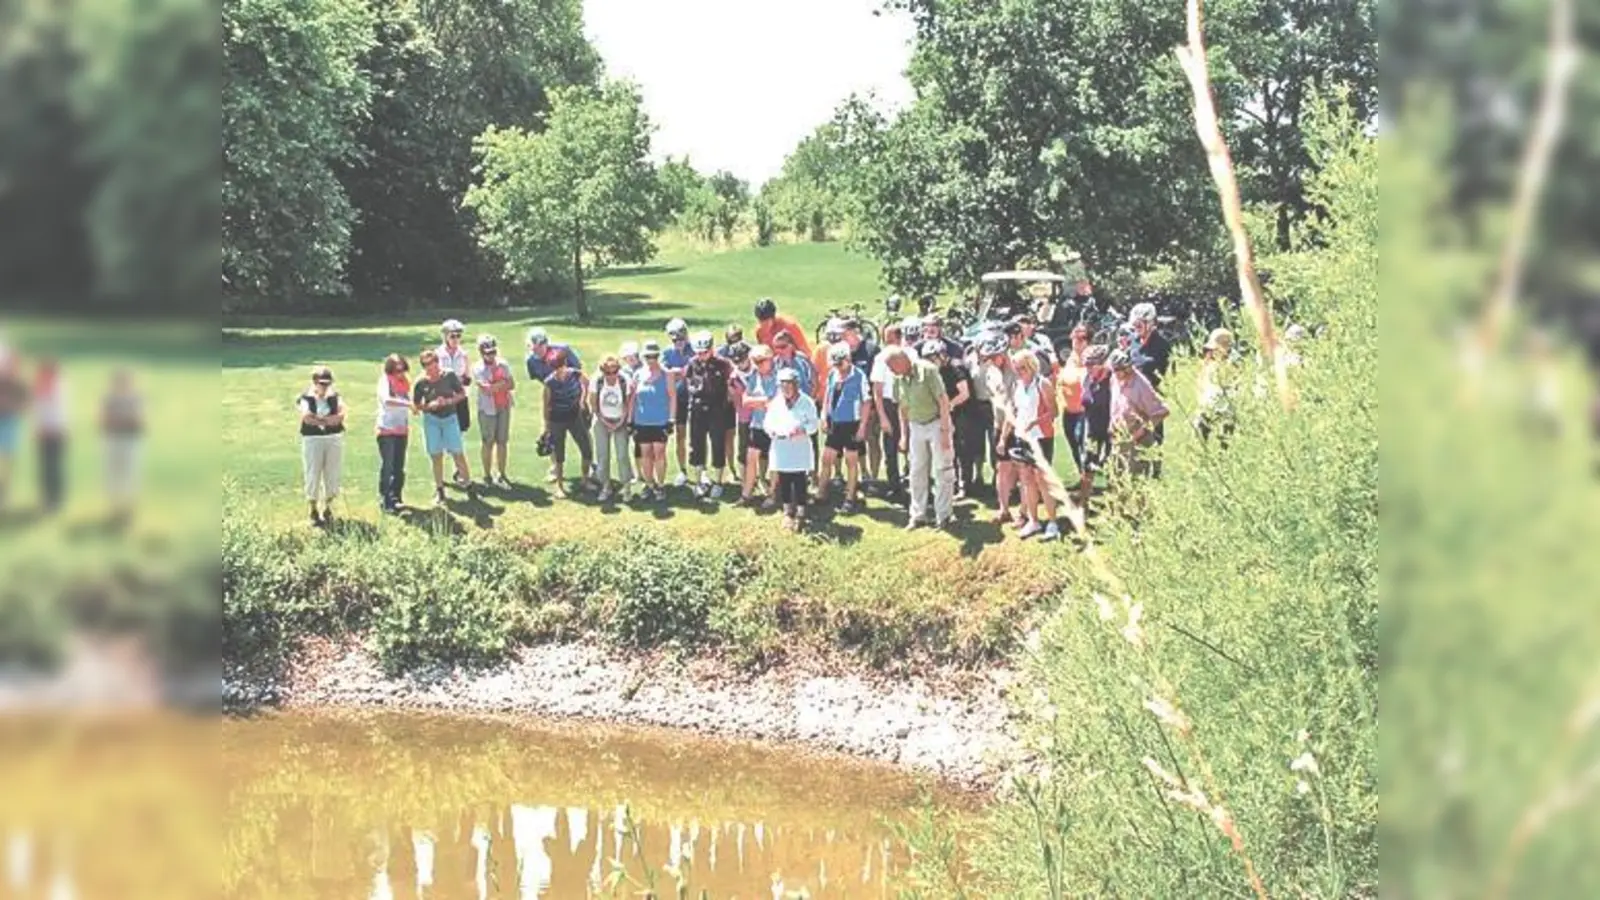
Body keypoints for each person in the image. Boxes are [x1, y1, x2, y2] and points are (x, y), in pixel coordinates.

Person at [888, 346, 954, 530]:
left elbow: (943, 401)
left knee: (942, 469)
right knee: (916, 471)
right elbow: (902, 408)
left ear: (902, 361)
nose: (891, 371)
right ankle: (918, 514)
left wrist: (945, 432)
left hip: (935, 423)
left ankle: (944, 514)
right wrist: (903, 435)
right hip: (915, 426)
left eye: (892, 366)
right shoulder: (897, 379)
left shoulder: (928, 371)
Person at [1007, 351, 1061, 541]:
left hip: (1041, 437)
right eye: (1016, 368)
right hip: (1023, 437)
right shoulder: (1018, 385)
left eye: (1022, 367)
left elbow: (1054, 412)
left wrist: (1035, 422)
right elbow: (1015, 410)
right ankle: (1033, 520)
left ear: (1031, 366)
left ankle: (1053, 522)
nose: (1019, 371)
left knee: (1043, 480)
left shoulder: (1042, 384)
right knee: (1027, 479)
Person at [870, 320, 920, 504]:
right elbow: (877, 389)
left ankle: (915, 483)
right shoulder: (881, 358)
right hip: (889, 404)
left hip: (909, 403)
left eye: (890, 339)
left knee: (914, 446)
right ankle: (894, 486)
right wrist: (882, 416)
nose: (887, 342)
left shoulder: (912, 354)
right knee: (890, 448)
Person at [818, 343, 873, 512]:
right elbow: (828, 396)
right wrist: (823, 416)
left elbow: (866, 402)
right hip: (835, 423)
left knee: (851, 461)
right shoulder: (833, 375)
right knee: (827, 458)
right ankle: (821, 493)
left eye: (840, 364)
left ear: (848, 360)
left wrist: (862, 426)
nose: (838, 368)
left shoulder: (859, 376)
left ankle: (850, 497)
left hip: (851, 423)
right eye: (835, 365)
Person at [763, 367, 819, 532]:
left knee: (799, 480)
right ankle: (787, 511)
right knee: (785, 480)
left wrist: (803, 430)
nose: (786, 388)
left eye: (789, 384)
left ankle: (801, 511)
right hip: (782, 448)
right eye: (783, 385)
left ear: (796, 385)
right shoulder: (776, 402)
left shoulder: (807, 402)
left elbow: (814, 425)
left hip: (799, 448)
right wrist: (771, 430)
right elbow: (768, 422)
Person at [413, 349, 470, 507]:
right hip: (432, 420)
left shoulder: (449, 375)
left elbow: (462, 394)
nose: (430, 367)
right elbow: (416, 406)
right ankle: (440, 490)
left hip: (450, 418)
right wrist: (428, 406)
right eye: (426, 364)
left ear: (438, 362)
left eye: (432, 363)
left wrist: (448, 401)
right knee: (436, 455)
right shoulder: (421, 382)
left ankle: (468, 484)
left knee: (457, 452)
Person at [684, 330, 734, 498]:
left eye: (705, 352)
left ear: (711, 349)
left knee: (717, 444)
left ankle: (718, 481)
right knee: (697, 445)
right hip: (698, 409)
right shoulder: (692, 364)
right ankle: (699, 481)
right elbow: (689, 383)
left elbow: (729, 385)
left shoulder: (722, 364)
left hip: (717, 410)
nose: (702, 356)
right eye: (698, 353)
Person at [976, 336, 1020, 525]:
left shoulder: (1017, 373)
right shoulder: (991, 372)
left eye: (994, 357)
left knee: (1022, 470)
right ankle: (1004, 509)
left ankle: (1025, 512)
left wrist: (1003, 437)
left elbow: (1013, 407)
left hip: (1017, 428)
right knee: (1001, 468)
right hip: (999, 424)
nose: (991, 361)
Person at [919, 338, 972, 495]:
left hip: (962, 412)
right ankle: (951, 483)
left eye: (933, 358)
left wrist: (948, 406)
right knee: (949, 448)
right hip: (946, 413)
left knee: (962, 448)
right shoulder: (934, 371)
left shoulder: (955, 368)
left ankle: (964, 484)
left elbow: (964, 393)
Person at [1108, 348, 1169, 479]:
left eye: (1116, 370)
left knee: (1136, 481)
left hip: (1137, 438)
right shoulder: (1115, 379)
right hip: (1119, 436)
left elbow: (1161, 412)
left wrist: (1141, 432)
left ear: (1127, 368)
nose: (1114, 373)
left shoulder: (1141, 385)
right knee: (1118, 479)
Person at [297, 365, 345, 525]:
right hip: (313, 439)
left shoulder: (335, 396)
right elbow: (306, 418)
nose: (324, 387)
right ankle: (312, 507)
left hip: (333, 438)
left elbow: (340, 416)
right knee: (313, 472)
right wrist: (326, 420)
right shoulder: (306, 398)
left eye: (327, 383)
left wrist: (318, 419)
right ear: (314, 382)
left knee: (332, 472)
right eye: (321, 383)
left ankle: (329, 508)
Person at [629, 341, 675, 501]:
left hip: (660, 421)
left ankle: (661, 485)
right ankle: (649, 484)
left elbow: (672, 397)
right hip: (642, 421)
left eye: (654, 356)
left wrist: (671, 419)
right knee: (645, 454)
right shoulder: (638, 374)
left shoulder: (667, 374)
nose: (651, 360)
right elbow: (632, 399)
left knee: (659, 454)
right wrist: (630, 420)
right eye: (648, 357)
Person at [542, 351, 592, 493]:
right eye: (555, 367)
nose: (558, 370)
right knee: (559, 454)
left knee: (586, 448)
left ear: (565, 364)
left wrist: (583, 400)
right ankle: (559, 486)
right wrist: (546, 427)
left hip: (575, 417)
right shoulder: (549, 382)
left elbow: (587, 383)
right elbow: (546, 405)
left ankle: (585, 480)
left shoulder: (575, 374)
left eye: (560, 366)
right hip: (557, 420)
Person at [100, 367, 143, 523]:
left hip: (129, 441)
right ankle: (114, 506)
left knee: (130, 474)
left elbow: (138, 421)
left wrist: (120, 420)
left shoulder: (135, 399)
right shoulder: (109, 399)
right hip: (112, 440)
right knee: (112, 474)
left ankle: (128, 508)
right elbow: (104, 420)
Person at [738, 344, 780, 506]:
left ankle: (772, 495)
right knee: (751, 458)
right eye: (755, 361)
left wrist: (757, 401)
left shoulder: (778, 377)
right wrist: (762, 401)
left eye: (761, 361)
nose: (758, 364)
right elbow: (745, 401)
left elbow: (774, 403)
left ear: (770, 359)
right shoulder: (755, 375)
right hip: (757, 424)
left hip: (774, 426)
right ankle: (746, 494)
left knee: (774, 460)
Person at [842, 319, 881, 485]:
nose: (844, 338)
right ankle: (862, 472)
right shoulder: (845, 352)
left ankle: (874, 475)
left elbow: (876, 380)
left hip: (870, 404)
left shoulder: (871, 350)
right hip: (852, 406)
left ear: (855, 332)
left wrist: (873, 406)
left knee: (872, 439)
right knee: (856, 440)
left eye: (846, 334)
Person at [589, 354, 633, 501]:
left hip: (620, 419)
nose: (611, 375)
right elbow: (594, 406)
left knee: (622, 455)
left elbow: (627, 404)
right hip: (601, 420)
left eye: (615, 371)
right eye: (608, 373)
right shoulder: (597, 380)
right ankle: (605, 486)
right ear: (602, 371)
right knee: (603, 456)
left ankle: (626, 487)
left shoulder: (624, 380)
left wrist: (620, 422)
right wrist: (605, 422)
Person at [473, 335, 515, 487]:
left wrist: (497, 385)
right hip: (487, 409)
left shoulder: (503, 364)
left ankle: (502, 474)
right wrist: (502, 383)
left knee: (502, 441)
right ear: (481, 352)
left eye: (493, 352)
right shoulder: (478, 368)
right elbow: (487, 390)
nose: (491, 355)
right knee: (487, 442)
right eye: (487, 352)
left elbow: (512, 384)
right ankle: (487, 475)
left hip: (503, 406)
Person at [375, 353, 413, 512]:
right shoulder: (385, 381)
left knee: (399, 466)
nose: (400, 372)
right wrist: (408, 404)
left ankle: (397, 497)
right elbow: (387, 400)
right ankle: (385, 499)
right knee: (388, 465)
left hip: (401, 429)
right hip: (386, 429)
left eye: (402, 369)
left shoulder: (404, 382)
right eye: (396, 369)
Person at [437, 319, 473, 483]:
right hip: (444, 400)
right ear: (445, 336)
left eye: (458, 336)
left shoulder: (464, 355)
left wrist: (459, 381)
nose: (456, 339)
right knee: (442, 435)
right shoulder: (438, 354)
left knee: (458, 434)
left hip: (459, 399)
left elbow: (468, 378)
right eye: (453, 336)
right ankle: (440, 473)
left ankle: (458, 470)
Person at [32, 358, 67, 514]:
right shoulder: (39, 388)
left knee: (54, 467)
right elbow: (36, 411)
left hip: (56, 432)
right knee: (44, 467)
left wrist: (52, 428)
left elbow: (60, 412)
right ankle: (46, 498)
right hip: (42, 433)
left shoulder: (59, 387)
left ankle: (56, 499)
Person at [1079, 344, 1114, 499]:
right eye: (1086, 364)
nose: (1088, 368)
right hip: (1092, 428)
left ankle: (1116, 505)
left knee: (1113, 466)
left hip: (1111, 430)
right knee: (1087, 464)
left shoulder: (1113, 381)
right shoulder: (1087, 378)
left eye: (1091, 365)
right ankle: (1084, 503)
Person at [662, 318, 694, 487]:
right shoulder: (667, 353)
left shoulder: (694, 349)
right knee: (681, 436)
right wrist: (679, 372)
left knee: (697, 436)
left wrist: (681, 372)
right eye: (674, 339)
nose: (678, 342)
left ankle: (700, 470)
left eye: (681, 338)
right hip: (677, 399)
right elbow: (665, 373)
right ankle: (682, 470)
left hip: (695, 397)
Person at [1057, 325, 1091, 479]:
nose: (1077, 341)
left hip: (1083, 413)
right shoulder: (1071, 358)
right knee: (1074, 446)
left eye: (1082, 338)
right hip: (1068, 412)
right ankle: (1082, 476)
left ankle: (1086, 483)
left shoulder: (1090, 358)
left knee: (1083, 446)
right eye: (1074, 337)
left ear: (1088, 341)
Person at [1194, 328, 1238, 445]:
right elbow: (1201, 382)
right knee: (1201, 433)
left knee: (1225, 438)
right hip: (1208, 404)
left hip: (1225, 406)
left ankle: (1223, 457)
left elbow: (1234, 385)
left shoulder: (1232, 364)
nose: (1213, 352)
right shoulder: (1208, 363)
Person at [0, 351, 23, 510]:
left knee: (8, 462)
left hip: (11, 423)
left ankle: (5, 495)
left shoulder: (17, 384)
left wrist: (12, 406)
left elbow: (25, 403)